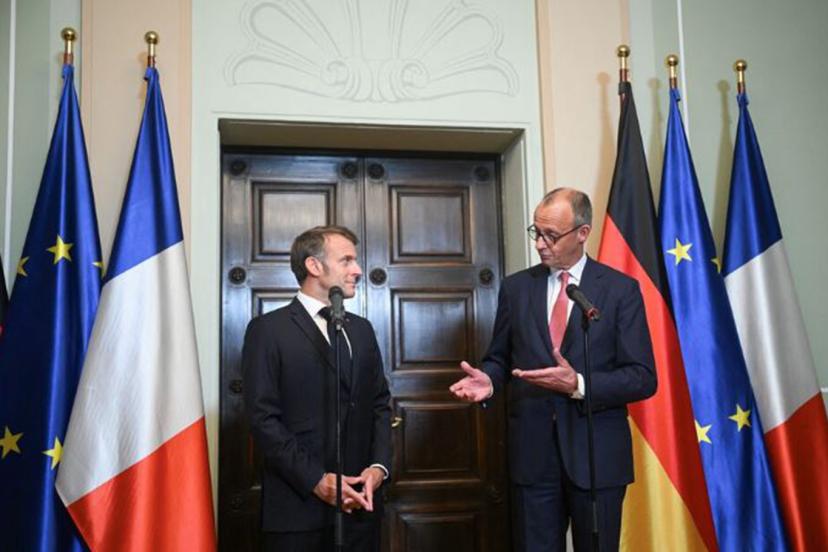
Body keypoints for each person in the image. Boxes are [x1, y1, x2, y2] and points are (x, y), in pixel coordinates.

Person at [450, 188, 656, 552]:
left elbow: (642, 377)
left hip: (596, 457)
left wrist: (578, 384)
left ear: (582, 232)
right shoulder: (516, 288)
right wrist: (490, 380)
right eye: (536, 232)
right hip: (533, 456)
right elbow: (500, 357)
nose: (540, 244)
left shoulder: (620, 290)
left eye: (551, 235)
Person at [242, 225, 391, 552]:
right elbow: (263, 419)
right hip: (297, 510)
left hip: (360, 507)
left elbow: (380, 404)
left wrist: (378, 468)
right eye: (346, 260)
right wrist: (316, 481)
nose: (357, 270)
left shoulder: (362, 330)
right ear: (314, 265)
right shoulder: (268, 330)